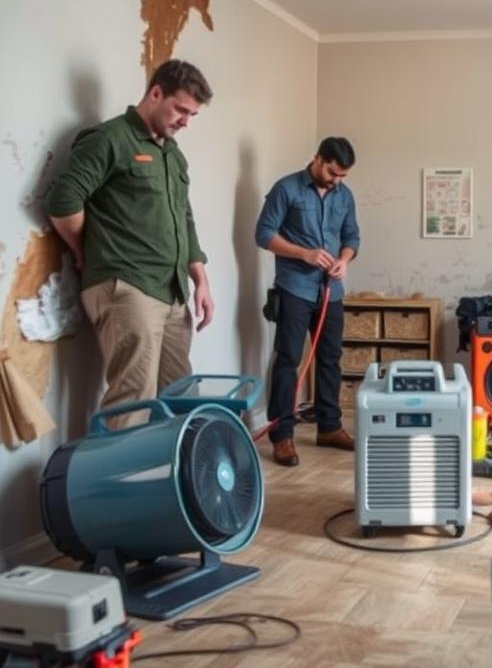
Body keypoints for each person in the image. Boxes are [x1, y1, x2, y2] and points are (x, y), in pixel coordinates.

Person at [45, 60, 215, 427]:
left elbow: (183, 218)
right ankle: (120, 483)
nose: (186, 121)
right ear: (156, 93)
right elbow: (63, 202)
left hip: (172, 290)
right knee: (133, 398)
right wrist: (83, 250)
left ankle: (169, 481)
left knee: (179, 394)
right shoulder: (110, 139)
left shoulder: (172, 154)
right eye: (181, 110)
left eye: (193, 114)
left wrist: (200, 280)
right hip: (127, 285)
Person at [255, 137, 360, 466]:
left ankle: (329, 427)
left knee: (330, 358)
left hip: (332, 291)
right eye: (332, 172)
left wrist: (345, 259)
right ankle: (282, 434)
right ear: (317, 158)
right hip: (294, 288)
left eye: (343, 176)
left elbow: (352, 237)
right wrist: (306, 254)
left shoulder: (345, 196)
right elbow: (263, 234)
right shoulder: (286, 189)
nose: (336, 181)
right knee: (288, 359)